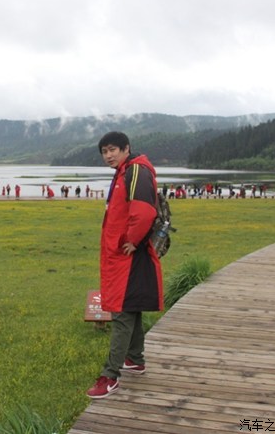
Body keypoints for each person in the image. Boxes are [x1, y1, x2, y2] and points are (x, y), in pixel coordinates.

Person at [86, 131, 164, 399]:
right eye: (104, 151)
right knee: (132, 307)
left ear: (126, 148)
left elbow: (144, 211)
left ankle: (110, 376)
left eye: (112, 150)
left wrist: (132, 239)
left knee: (121, 312)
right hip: (121, 253)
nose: (108, 155)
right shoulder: (125, 171)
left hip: (126, 255)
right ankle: (135, 359)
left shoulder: (135, 171)